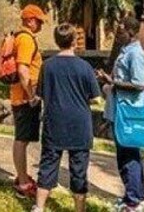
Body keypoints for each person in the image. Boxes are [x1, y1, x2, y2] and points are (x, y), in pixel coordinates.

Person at [31, 24, 102, 212]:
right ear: (74, 41)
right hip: (79, 126)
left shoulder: (47, 66)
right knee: (79, 172)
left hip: (54, 123)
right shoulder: (85, 67)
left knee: (47, 166)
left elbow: (40, 95)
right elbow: (96, 98)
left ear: (57, 41)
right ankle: (79, 209)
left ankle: (39, 207)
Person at [96, 16, 144, 211]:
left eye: (121, 32)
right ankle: (135, 195)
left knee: (128, 157)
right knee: (127, 155)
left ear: (131, 33)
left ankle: (133, 201)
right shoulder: (126, 51)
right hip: (119, 109)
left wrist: (112, 81)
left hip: (127, 112)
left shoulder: (136, 54)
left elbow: (139, 84)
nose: (117, 35)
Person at [11, 4, 47, 198]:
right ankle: (23, 183)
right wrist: (32, 96)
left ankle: (22, 176)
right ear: (30, 21)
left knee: (22, 139)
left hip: (21, 95)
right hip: (25, 98)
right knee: (22, 140)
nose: (41, 25)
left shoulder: (22, 37)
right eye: (39, 21)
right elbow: (23, 70)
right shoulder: (25, 40)